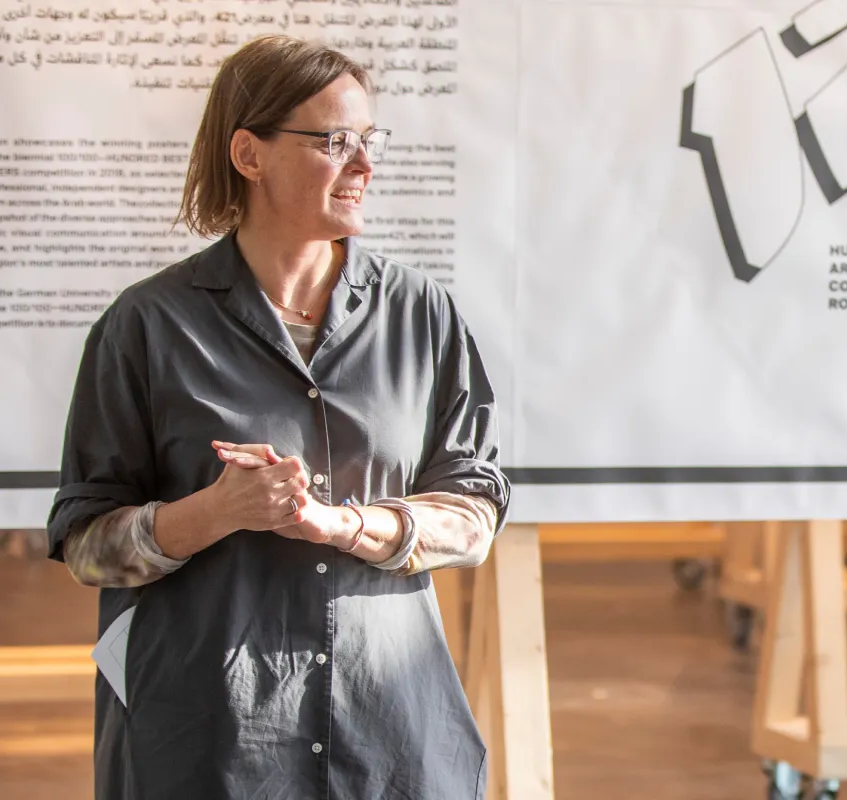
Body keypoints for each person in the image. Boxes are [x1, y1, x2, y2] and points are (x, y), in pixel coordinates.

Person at [46, 34, 509, 800]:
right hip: (211, 743)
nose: (364, 166)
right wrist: (215, 511)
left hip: (390, 735)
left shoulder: (422, 314)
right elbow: (87, 546)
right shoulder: (147, 326)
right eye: (334, 142)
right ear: (248, 154)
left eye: (369, 141)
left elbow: (475, 511)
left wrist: (345, 525)